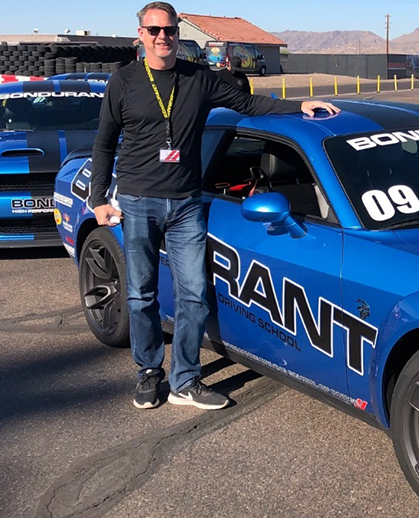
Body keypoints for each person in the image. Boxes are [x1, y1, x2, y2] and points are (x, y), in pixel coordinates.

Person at [88, 1, 339, 411]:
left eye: (169, 29)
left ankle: (184, 379)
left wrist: (299, 106)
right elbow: (103, 143)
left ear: (177, 33)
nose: (162, 37)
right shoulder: (125, 81)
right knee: (140, 296)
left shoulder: (199, 79)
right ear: (141, 36)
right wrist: (99, 200)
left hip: (186, 204)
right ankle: (149, 373)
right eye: (154, 31)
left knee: (194, 296)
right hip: (138, 201)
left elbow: (250, 105)